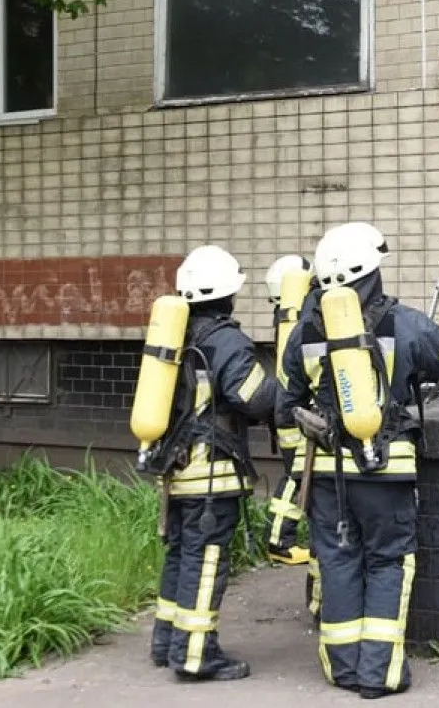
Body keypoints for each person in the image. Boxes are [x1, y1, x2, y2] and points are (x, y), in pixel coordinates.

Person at [278, 223, 439, 698]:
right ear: (370, 273)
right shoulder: (404, 323)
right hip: (385, 472)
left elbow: (286, 405)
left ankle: (343, 667)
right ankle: (380, 673)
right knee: (388, 562)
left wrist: (296, 470)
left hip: (328, 475)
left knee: (337, 561)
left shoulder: (304, 332)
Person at [150, 245, 274, 682]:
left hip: (178, 469)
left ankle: (167, 643)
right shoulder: (224, 339)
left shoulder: (177, 336)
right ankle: (196, 654)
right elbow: (254, 396)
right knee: (206, 561)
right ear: (227, 294)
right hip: (212, 473)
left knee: (181, 554)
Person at [263, 255, 312, 566]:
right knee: (297, 473)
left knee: (295, 471)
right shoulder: (300, 319)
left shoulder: (283, 319)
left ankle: (280, 538)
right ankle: (279, 541)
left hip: (283, 410)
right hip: (296, 411)